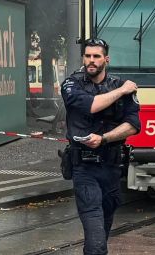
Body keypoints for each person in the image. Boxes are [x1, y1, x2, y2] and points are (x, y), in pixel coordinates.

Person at [61, 38, 140, 255]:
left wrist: (104, 138)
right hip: (83, 167)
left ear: (106, 59)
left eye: (96, 56)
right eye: (88, 56)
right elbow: (92, 106)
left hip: (112, 168)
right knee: (96, 237)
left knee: (103, 230)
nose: (91, 61)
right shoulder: (71, 84)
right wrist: (122, 91)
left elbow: (133, 125)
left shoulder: (119, 85)